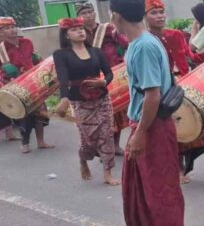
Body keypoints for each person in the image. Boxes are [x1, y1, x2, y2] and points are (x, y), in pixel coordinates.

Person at [111, 0, 190, 226]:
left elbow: (152, 94)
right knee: (138, 183)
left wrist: (141, 133)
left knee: (160, 183)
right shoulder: (140, 42)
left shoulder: (143, 46)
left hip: (152, 124)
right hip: (145, 121)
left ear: (116, 16)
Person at [144, 0, 204, 184]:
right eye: (154, 13)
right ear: (145, 17)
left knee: (200, 124)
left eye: (161, 12)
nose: (159, 16)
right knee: (175, 130)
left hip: (186, 87)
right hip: (162, 89)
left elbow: (191, 57)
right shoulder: (145, 41)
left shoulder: (175, 35)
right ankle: (179, 171)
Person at [53, 17, 119, 185]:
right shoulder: (61, 54)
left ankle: (108, 173)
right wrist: (64, 98)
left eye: (81, 28)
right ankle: (83, 160)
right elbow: (63, 79)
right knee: (88, 137)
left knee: (107, 135)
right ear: (66, 35)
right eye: (74, 29)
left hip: (102, 98)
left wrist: (103, 82)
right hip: (80, 101)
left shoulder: (96, 51)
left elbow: (109, 73)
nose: (80, 31)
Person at [76, 2, 131, 156]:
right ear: (79, 17)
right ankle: (99, 147)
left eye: (90, 12)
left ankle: (114, 145)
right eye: (84, 13)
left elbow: (125, 42)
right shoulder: (78, 33)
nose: (88, 15)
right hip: (91, 76)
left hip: (112, 73)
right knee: (97, 113)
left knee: (116, 111)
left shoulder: (107, 29)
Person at [0, 16, 54, 153]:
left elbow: (36, 59)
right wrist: (6, 74)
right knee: (25, 114)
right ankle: (25, 143)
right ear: (1, 32)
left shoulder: (27, 42)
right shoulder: (2, 50)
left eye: (12, 27)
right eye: (7, 28)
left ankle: (41, 141)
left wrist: (39, 61)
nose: (11, 30)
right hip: (16, 85)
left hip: (33, 81)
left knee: (40, 112)